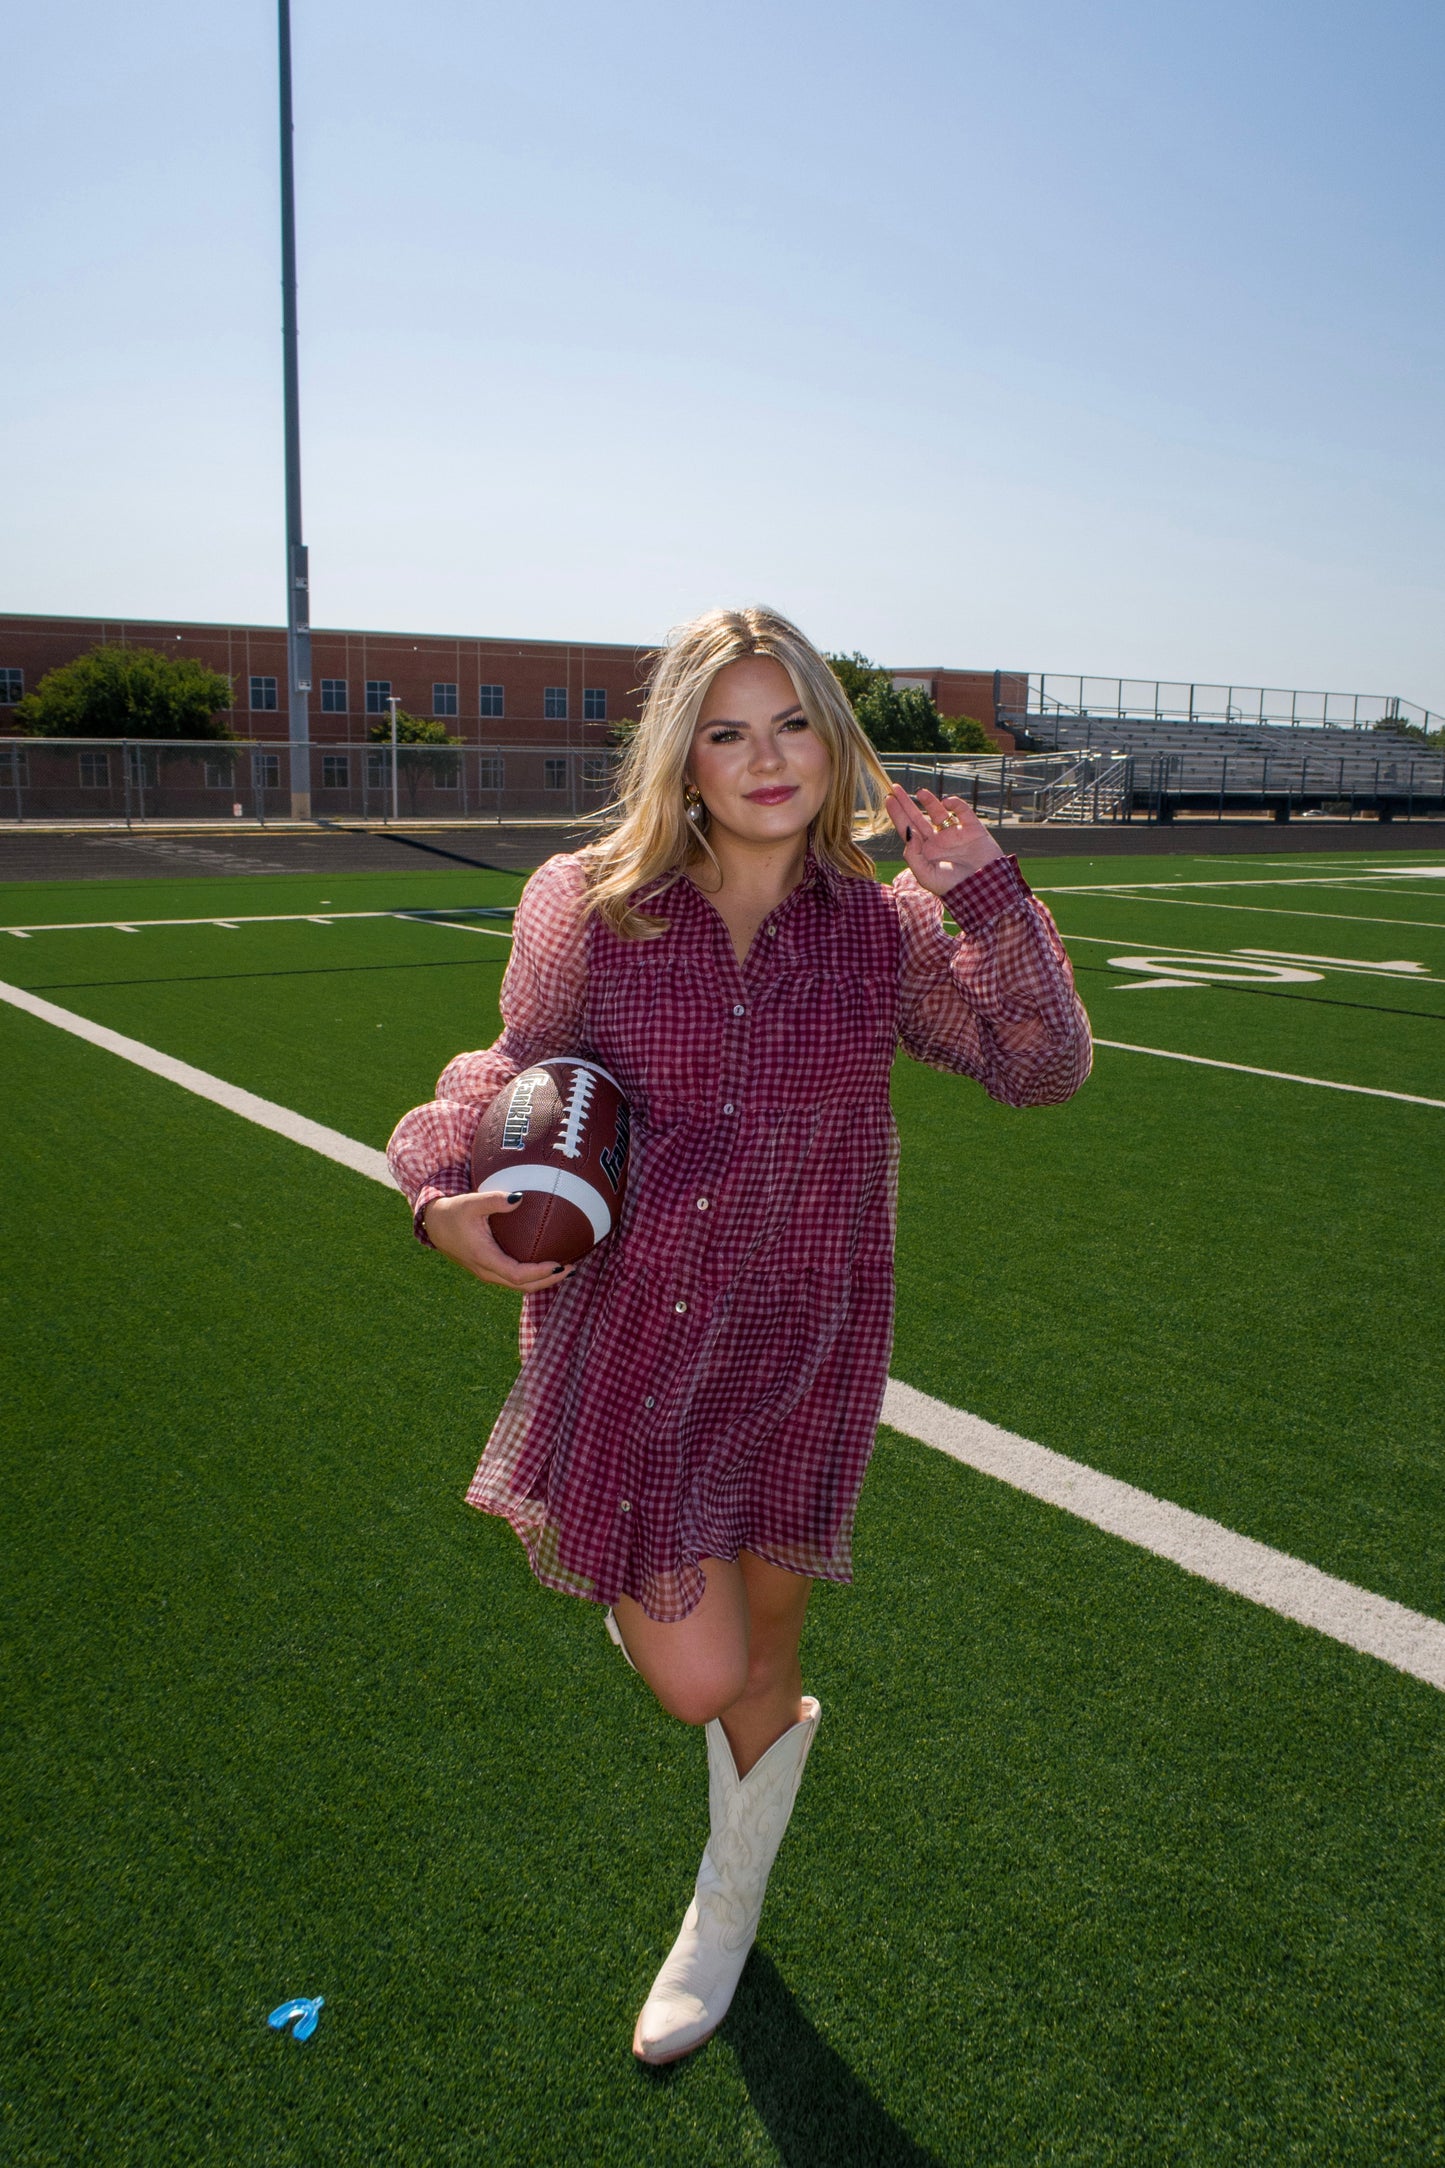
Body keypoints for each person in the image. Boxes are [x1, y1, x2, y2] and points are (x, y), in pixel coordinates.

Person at [387, 605, 1091, 2064]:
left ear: (833, 744)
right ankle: (637, 1584)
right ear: (683, 757)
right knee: (698, 1676)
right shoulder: (588, 901)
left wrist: (985, 896)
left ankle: (723, 1906)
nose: (764, 759)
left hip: (804, 1346)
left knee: (766, 1657)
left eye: (791, 725)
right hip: (632, 1334)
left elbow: (1038, 1070)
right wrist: (440, 1185)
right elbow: (510, 1066)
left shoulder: (879, 934)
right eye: (726, 730)